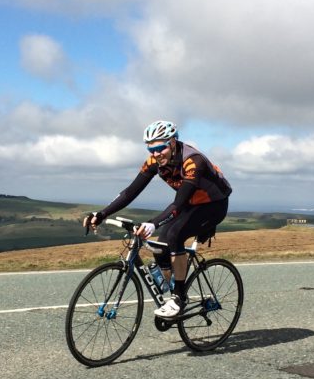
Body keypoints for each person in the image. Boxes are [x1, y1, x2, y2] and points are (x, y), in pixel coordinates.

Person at [84, 120, 232, 318]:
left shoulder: (192, 161)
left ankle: (179, 298)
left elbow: (178, 204)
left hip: (214, 205)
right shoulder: (154, 161)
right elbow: (130, 192)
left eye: (160, 148)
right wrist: (101, 214)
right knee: (160, 244)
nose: (155, 154)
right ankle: (170, 281)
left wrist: (153, 223)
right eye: (150, 149)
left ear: (172, 142)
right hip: (191, 203)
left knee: (174, 234)